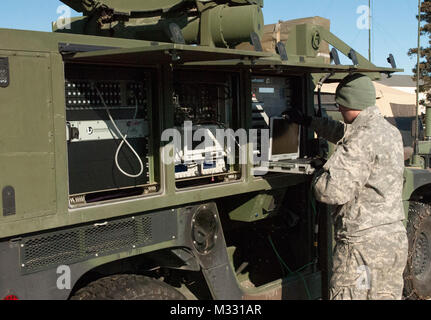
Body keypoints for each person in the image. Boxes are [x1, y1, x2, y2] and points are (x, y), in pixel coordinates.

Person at [286, 73, 408, 300]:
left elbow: (330, 191)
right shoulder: (387, 131)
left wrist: (321, 170)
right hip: (392, 241)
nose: (339, 110)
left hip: (362, 249)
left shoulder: (361, 137)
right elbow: (342, 133)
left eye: (341, 105)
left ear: (351, 103)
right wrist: (308, 121)